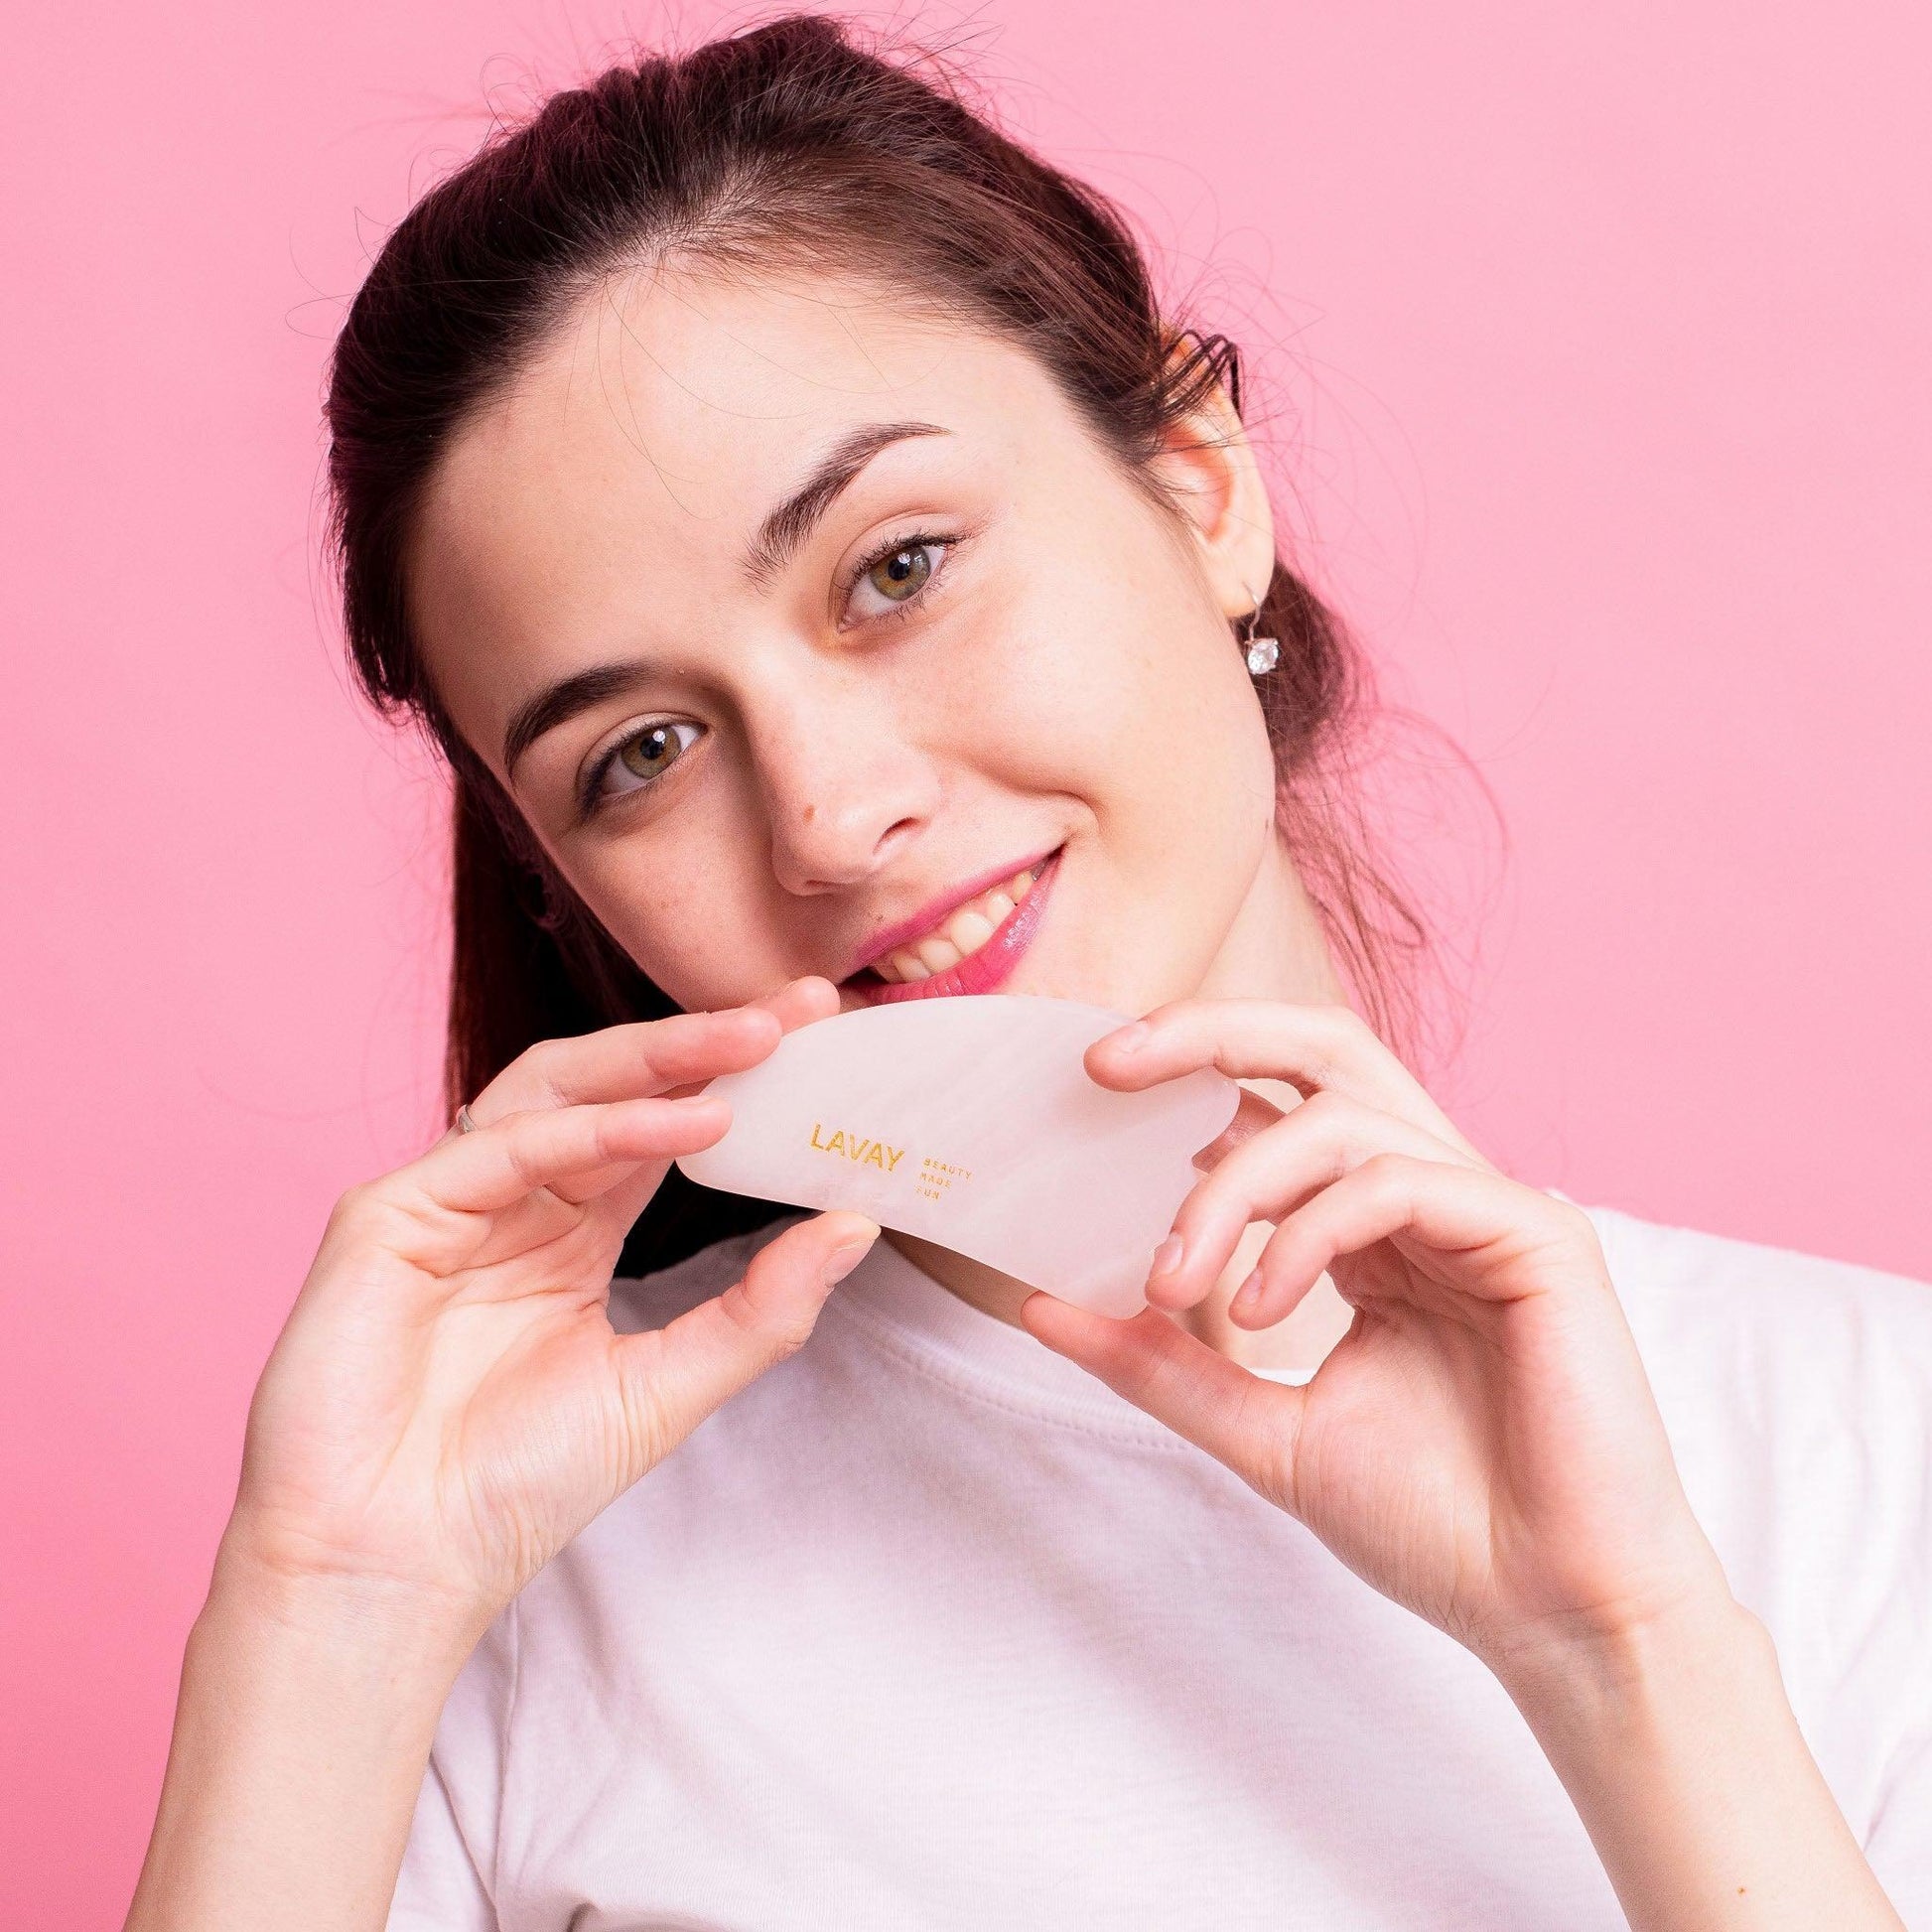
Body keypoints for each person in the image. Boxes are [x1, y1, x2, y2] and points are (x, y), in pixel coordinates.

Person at [125, 16, 1930, 1930]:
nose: (825, 818)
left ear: (1200, 485)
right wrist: (331, 1611)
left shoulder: (1864, 1445)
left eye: (896, 567)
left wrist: (1623, 1642)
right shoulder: (491, 1564)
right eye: (639, 752)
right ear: (572, 894)